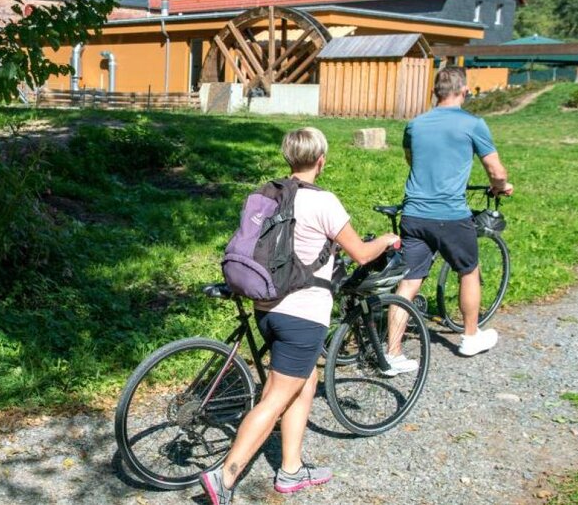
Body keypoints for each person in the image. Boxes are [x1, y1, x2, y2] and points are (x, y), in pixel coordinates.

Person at [200, 127, 400, 504]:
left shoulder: (268, 193)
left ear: (288, 157)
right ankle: (224, 476)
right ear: (321, 160)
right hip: (302, 316)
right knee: (276, 397)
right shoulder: (324, 203)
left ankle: (290, 471)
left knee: (304, 382)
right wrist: (386, 241)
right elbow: (360, 253)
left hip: (267, 309)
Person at [384, 66, 513, 370]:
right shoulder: (474, 124)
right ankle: (470, 336)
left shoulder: (414, 125)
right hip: (451, 215)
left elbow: (411, 159)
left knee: (409, 282)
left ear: (435, 92)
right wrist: (500, 187)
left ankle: (392, 353)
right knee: (468, 270)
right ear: (464, 91)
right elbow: (496, 171)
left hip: (414, 213)